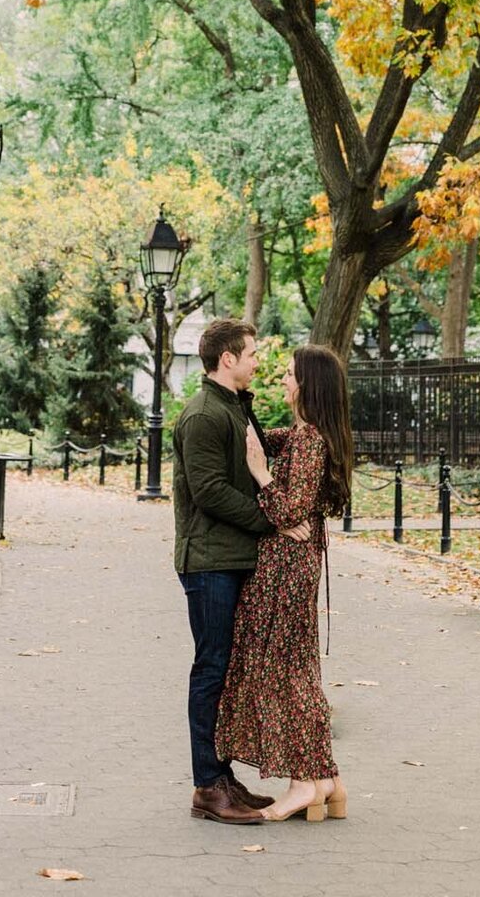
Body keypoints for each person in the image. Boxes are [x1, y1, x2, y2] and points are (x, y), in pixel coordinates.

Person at [172, 318, 311, 826]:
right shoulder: (203, 414)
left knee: (226, 670)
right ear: (226, 359)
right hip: (209, 562)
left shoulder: (234, 405)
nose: (257, 361)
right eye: (250, 353)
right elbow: (208, 489)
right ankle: (207, 786)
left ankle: (222, 777)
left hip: (233, 557)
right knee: (211, 669)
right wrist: (272, 520)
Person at [215, 343, 353, 823]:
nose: (284, 381)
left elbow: (289, 509)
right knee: (295, 670)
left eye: (291, 375)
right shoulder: (303, 434)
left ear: (309, 385)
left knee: (284, 673)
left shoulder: (310, 438)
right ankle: (327, 780)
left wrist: (260, 475)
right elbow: (256, 437)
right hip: (291, 564)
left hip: (285, 571)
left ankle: (303, 783)